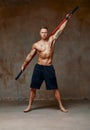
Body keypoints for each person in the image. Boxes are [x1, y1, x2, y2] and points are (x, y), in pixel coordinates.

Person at [21, 15, 70, 113]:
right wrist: (24, 65)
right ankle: (29, 106)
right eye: (42, 32)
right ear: (40, 33)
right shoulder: (36, 44)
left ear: (47, 33)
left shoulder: (52, 40)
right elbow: (30, 56)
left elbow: (60, 30)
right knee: (33, 88)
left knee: (55, 88)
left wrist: (67, 19)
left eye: (45, 32)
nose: (44, 34)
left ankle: (61, 106)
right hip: (39, 67)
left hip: (48, 67)